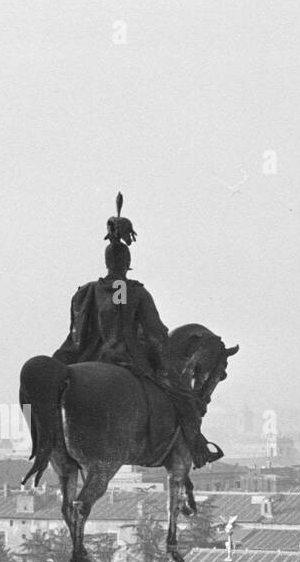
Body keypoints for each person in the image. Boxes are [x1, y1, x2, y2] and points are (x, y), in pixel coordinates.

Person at [53, 194, 216, 467]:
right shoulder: (134, 292)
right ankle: (197, 450)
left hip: (85, 356)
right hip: (126, 357)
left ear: (107, 262)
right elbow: (153, 334)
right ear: (126, 263)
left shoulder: (85, 292)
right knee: (186, 400)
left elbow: (77, 332)